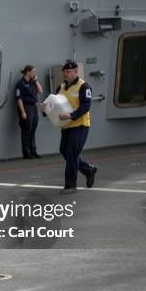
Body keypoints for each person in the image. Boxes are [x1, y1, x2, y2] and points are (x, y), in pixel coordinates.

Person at [40, 61, 98, 195]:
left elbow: (85, 106)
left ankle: (70, 185)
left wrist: (71, 115)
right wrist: (44, 110)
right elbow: (53, 104)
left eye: (68, 72)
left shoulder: (84, 86)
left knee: (71, 154)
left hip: (80, 125)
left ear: (75, 71)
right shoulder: (61, 87)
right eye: (64, 72)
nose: (65, 74)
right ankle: (88, 169)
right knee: (64, 151)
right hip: (66, 126)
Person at [15, 65, 43, 159]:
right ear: (28, 72)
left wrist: (36, 81)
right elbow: (19, 99)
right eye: (33, 71)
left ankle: (33, 151)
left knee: (33, 130)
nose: (35, 73)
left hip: (34, 108)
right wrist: (23, 112)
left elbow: (40, 91)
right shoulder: (20, 84)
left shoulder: (32, 82)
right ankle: (27, 153)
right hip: (26, 108)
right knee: (26, 131)